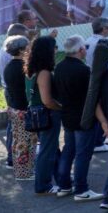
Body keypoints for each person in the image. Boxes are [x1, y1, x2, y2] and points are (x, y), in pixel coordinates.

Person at [56, 35, 108, 202]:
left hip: (67, 115)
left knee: (68, 150)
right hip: (84, 118)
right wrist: (102, 120)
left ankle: (64, 185)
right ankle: (81, 189)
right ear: (80, 50)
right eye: (85, 47)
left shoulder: (59, 67)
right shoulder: (83, 70)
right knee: (82, 154)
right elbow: (92, 98)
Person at [28, 36, 64, 194]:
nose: (56, 50)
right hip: (47, 114)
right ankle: (43, 185)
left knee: (52, 149)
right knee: (47, 151)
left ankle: (61, 178)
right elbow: (47, 100)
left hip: (39, 114)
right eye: (54, 47)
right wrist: (62, 108)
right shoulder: (44, 72)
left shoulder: (32, 70)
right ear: (48, 51)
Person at [3, 35, 35, 180]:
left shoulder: (9, 66)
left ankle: (22, 170)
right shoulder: (22, 67)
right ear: (22, 50)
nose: (29, 49)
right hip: (23, 109)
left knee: (18, 141)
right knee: (24, 142)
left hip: (14, 107)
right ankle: (23, 173)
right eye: (27, 46)